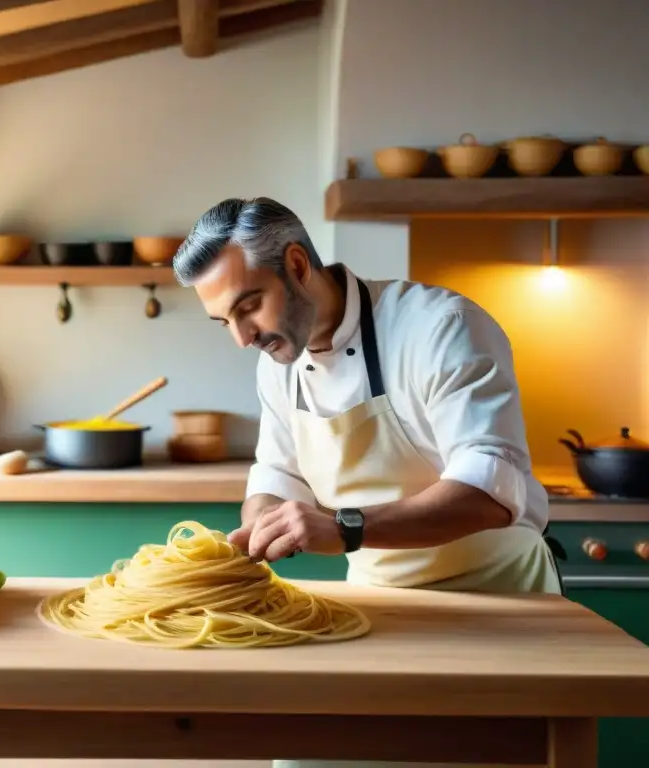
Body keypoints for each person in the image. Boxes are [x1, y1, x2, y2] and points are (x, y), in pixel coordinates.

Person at [173, 197, 564, 768]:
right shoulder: (277, 367)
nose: (241, 337)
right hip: (375, 611)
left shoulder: (439, 326)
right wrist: (261, 523)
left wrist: (346, 527)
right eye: (223, 322)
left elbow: (489, 486)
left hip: (501, 609)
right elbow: (279, 472)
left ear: (298, 265)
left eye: (249, 306)